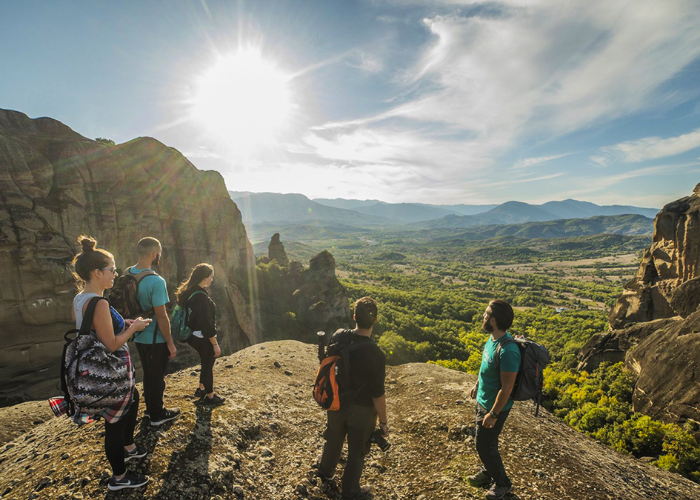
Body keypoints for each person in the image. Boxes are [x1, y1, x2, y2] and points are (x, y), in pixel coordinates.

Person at [70, 236, 152, 491]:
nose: (115, 274)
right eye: (112, 270)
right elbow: (112, 344)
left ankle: (129, 447)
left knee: (134, 398)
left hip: (100, 368)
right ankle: (119, 478)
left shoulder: (81, 298)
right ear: (97, 272)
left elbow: (94, 330)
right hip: (111, 370)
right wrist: (135, 328)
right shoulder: (100, 302)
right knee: (114, 425)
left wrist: (125, 323)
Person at [317, 297, 389, 500]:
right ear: (375, 321)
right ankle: (350, 491)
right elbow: (378, 394)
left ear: (354, 316)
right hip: (363, 411)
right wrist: (383, 423)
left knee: (333, 438)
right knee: (357, 451)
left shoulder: (339, 336)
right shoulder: (376, 354)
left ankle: (325, 472)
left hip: (336, 402)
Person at [468, 300, 521, 500]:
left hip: (494, 407)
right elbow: (486, 370)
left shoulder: (508, 351)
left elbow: (506, 388)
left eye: (486, 313)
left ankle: (503, 484)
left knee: (483, 445)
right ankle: (488, 471)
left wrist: (493, 414)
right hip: (483, 401)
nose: (483, 315)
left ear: (493, 320)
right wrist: (477, 385)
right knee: (487, 444)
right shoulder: (492, 340)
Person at [129, 237, 181, 426]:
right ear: (154, 254)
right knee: (157, 376)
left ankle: (150, 410)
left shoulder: (128, 273)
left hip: (136, 334)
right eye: (159, 252)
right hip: (154, 337)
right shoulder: (156, 281)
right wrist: (170, 342)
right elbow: (161, 316)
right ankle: (157, 414)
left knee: (148, 374)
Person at [174, 263, 225, 406]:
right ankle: (210, 397)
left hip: (192, 335)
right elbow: (206, 324)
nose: (212, 279)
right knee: (208, 364)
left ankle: (201, 388)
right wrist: (215, 344)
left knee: (205, 362)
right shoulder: (201, 297)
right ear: (204, 277)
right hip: (201, 336)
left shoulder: (191, 291)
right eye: (210, 277)